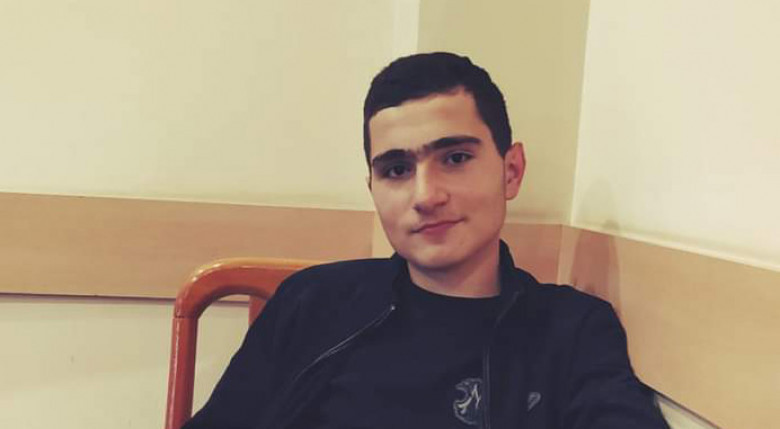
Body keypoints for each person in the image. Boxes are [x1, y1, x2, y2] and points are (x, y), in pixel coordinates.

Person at [184, 52, 669, 429]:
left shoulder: (570, 332)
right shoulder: (312, 303)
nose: (425, 196)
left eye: (455, 158)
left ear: (511, 171)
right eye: (396, 169)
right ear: (373, 188)